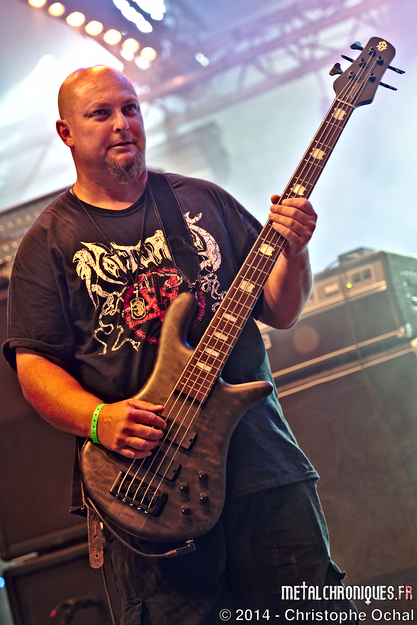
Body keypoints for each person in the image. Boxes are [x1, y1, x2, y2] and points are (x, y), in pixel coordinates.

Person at [3, 66, 358, 624]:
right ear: (66, 132)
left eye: (130, 108)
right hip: (150, 490)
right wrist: (99, 419)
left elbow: (281, 310)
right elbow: (34, 369)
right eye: (100, 113)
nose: (122, 124)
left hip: (261, 469)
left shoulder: (202, 201)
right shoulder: (48, 243)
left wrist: (294, 250)